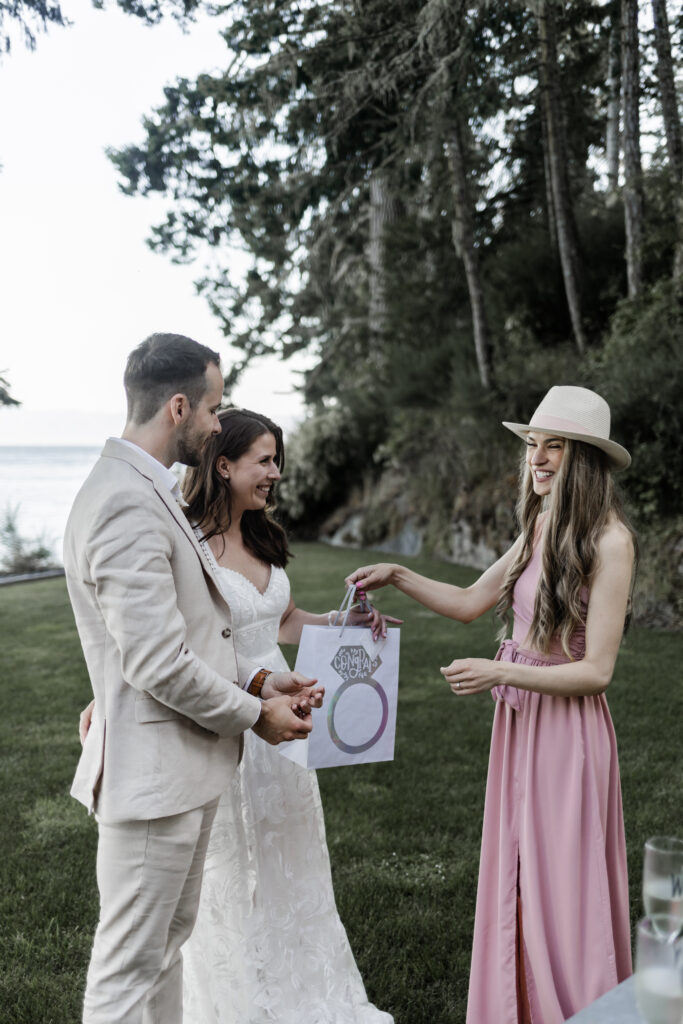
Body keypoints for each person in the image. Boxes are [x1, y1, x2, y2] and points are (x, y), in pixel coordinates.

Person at [346, 386, 635, 1024]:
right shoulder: (538, 525)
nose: (538, 458)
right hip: (523, 724)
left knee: (565, 883)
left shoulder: (611, 543)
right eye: (534, 445)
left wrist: (501, 669)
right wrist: (397, 575)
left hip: (568, 734)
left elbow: (598, 672)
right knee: (522, 874)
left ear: (583, 458)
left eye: (553, 447)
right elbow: (471, 601)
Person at [65, 334, 320, 1024]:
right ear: (179, 407)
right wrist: (252, 714)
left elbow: (191, 638)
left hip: (179, 772)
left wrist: (264, 680)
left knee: (165, 952)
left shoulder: (146, 491)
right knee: (125, 973)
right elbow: (154, 663)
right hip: (151, 781)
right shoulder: (124, 500)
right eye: (212, 409)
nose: (215, 425)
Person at [175, 407, 397, 1024]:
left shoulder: (261, 533)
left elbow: (283, 621)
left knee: (289, 856)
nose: (276, 473)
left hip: (286, 722)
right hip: (226, 712)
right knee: (230, 866)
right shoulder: (187, 542)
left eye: (278, 460)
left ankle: (304, 992)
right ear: (224, 465)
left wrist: (342, 621)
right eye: (265, 460)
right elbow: (179, 647)